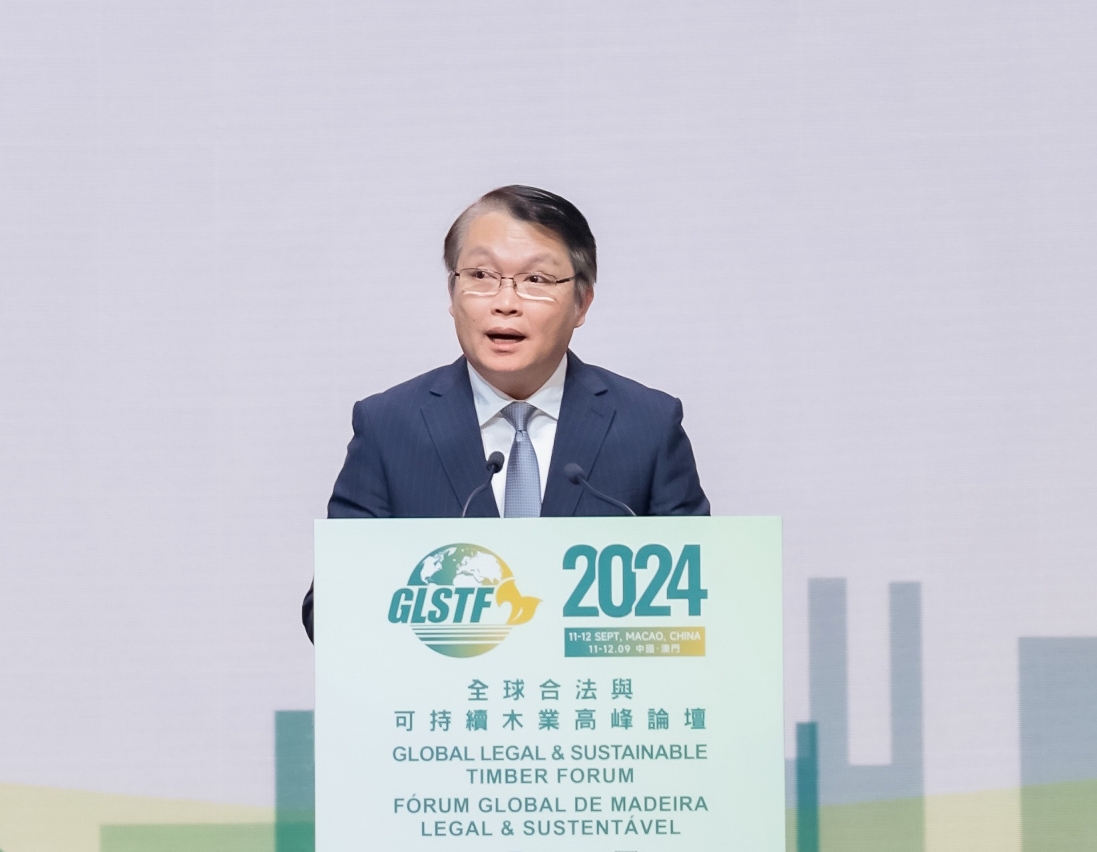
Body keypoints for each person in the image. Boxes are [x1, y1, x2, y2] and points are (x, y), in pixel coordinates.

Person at [303, 185, 708, 640]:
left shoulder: (648, 426)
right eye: (481, 275)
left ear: (582, 303)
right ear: (452, 293)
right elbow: (330, 612)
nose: (505, 302)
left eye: (536, 280)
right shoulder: (389, 427)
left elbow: (702, 600)